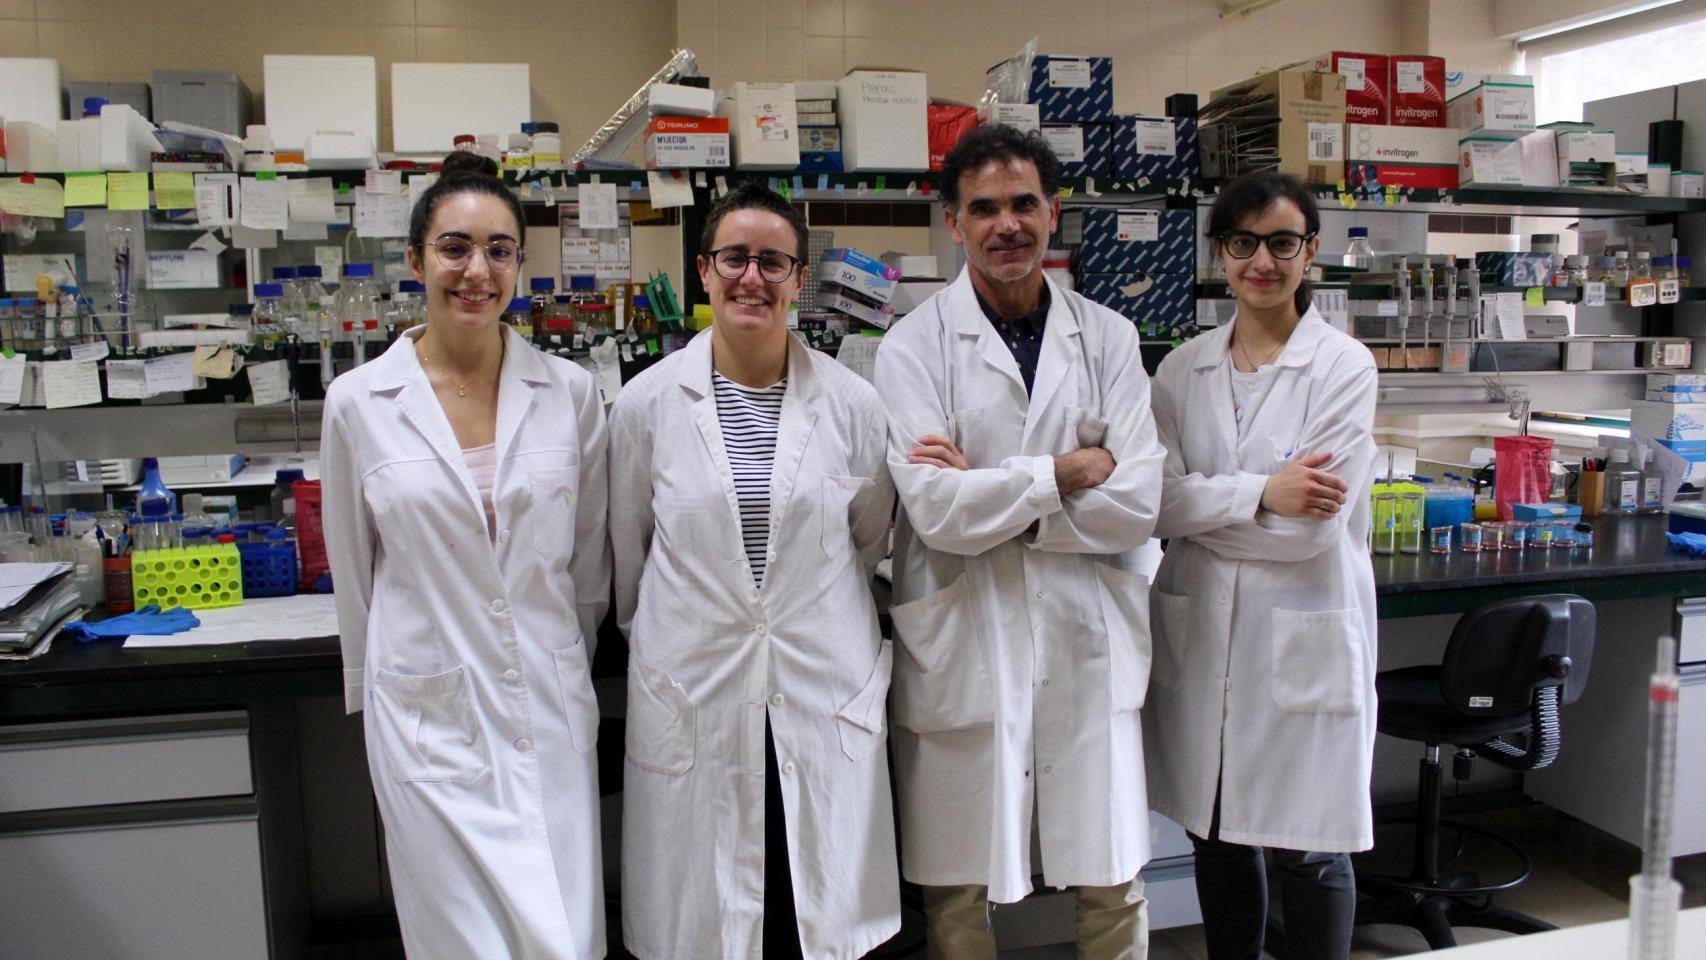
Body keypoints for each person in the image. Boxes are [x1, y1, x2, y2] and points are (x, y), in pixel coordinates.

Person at [873, 124, 1166, 959]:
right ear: (954, 223)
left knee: (1112, 871)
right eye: (985, 208)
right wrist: (1071, 472)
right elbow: (937, 514)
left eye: (1024, 204)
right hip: (968, 631)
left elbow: (1139, 501)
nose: (1008, 224)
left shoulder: (1107, 337)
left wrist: (999, 494)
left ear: (1054, 213)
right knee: (960, 882)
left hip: (1085, 624)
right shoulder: (912, 347)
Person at [321, 151, 610, 959]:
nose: (476, 270)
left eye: (499, 249)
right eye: (454, 247)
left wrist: (558, 660)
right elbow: (356, 573)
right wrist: (373, 695)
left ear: (520, 262)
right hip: (428, 721)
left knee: (565, 935)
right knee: (461, 943)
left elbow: (587, 570)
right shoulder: (360, 404)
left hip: (547, 712)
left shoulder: (570, 393)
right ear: (415, 261)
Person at [609, 182, 899, 959]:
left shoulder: (854, 406)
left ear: (800, 279)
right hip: (694, 691)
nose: (753, 278)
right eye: (735, 258)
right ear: (704, 271)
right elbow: (629, 562)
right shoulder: (644, 407)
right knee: (707, 923)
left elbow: (867, 541)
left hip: (818, 689)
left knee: (809, 912)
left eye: (774, 262)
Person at [1144, 169, 1378, 960]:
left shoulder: (1344, 368)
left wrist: (1210, 509)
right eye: (1244, 244)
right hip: (1206, 635)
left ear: (1309, 251)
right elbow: (1156, 505)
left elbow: (1309, 535)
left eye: (1282, 243)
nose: (1263, 262)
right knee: (1215, 831)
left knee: (1311, 845)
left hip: (1301, 628)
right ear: (1220, 252)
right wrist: (1262, 493)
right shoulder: (1182, 371)